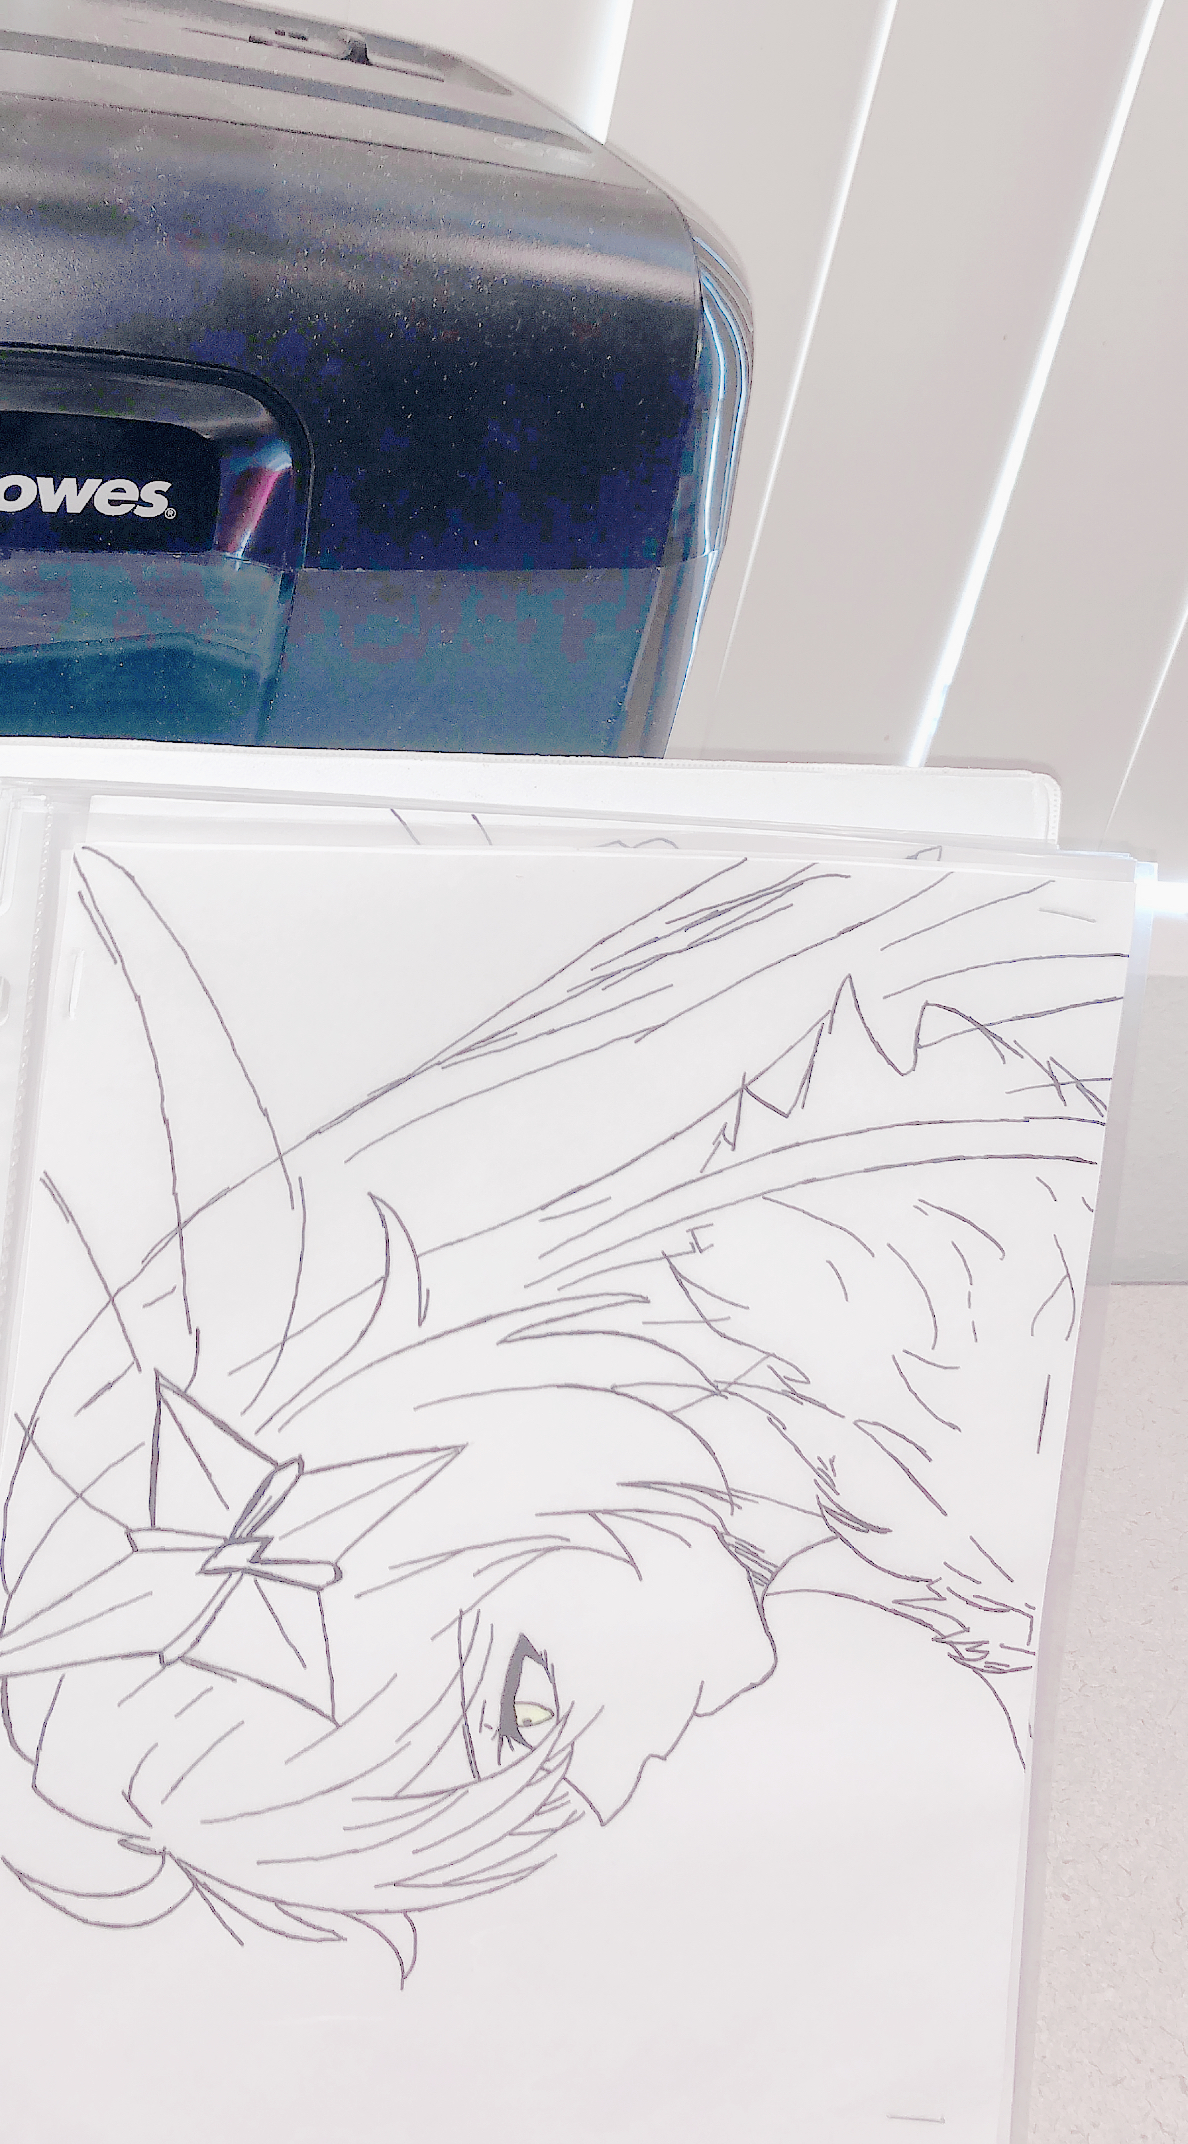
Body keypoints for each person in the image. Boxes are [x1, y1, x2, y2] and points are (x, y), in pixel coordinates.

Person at [0, 841, 1124, 1970]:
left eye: (524, 1711)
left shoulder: (910, 1342)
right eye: (549, 1802)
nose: (616, 1777)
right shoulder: (846, 1502)